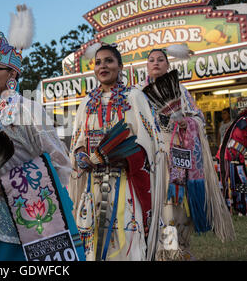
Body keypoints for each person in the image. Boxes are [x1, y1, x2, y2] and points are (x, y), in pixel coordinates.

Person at [0, 5, 81, 261]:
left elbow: (60, 164)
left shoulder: (29, 109)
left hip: (27, 223)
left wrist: (13, 183)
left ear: (13, 73)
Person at [69, 42, 163, 261]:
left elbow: (150, 141)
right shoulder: (86, 103)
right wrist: (82, 155)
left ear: (120, 66)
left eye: (109, 61)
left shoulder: (135, 97)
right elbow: (78, 141)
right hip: (93, 187)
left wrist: (127, 156)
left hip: (126, 184)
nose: (103, 66)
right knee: (93, 242)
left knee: (128, 241)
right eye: (98, 62)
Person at [140, 47, 235, 261]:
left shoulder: (181, 91)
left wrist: (187, 123)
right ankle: (157, 251)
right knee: (152, 206)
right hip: (149, 159)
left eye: (161, 60)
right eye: (151, 60)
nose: (155, 63)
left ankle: (175, 251)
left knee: (173, 207)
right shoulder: (138, 93)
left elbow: (199, 119)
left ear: (168, 65)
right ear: (147, 66)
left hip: (176, 158)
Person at [217, 108, 247, 216]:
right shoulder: (242, 122)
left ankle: (239, 207)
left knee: (240, 182)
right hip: (227, 155)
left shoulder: (240, 122)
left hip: (233, 156)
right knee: (230, 183)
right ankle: (231, 208)